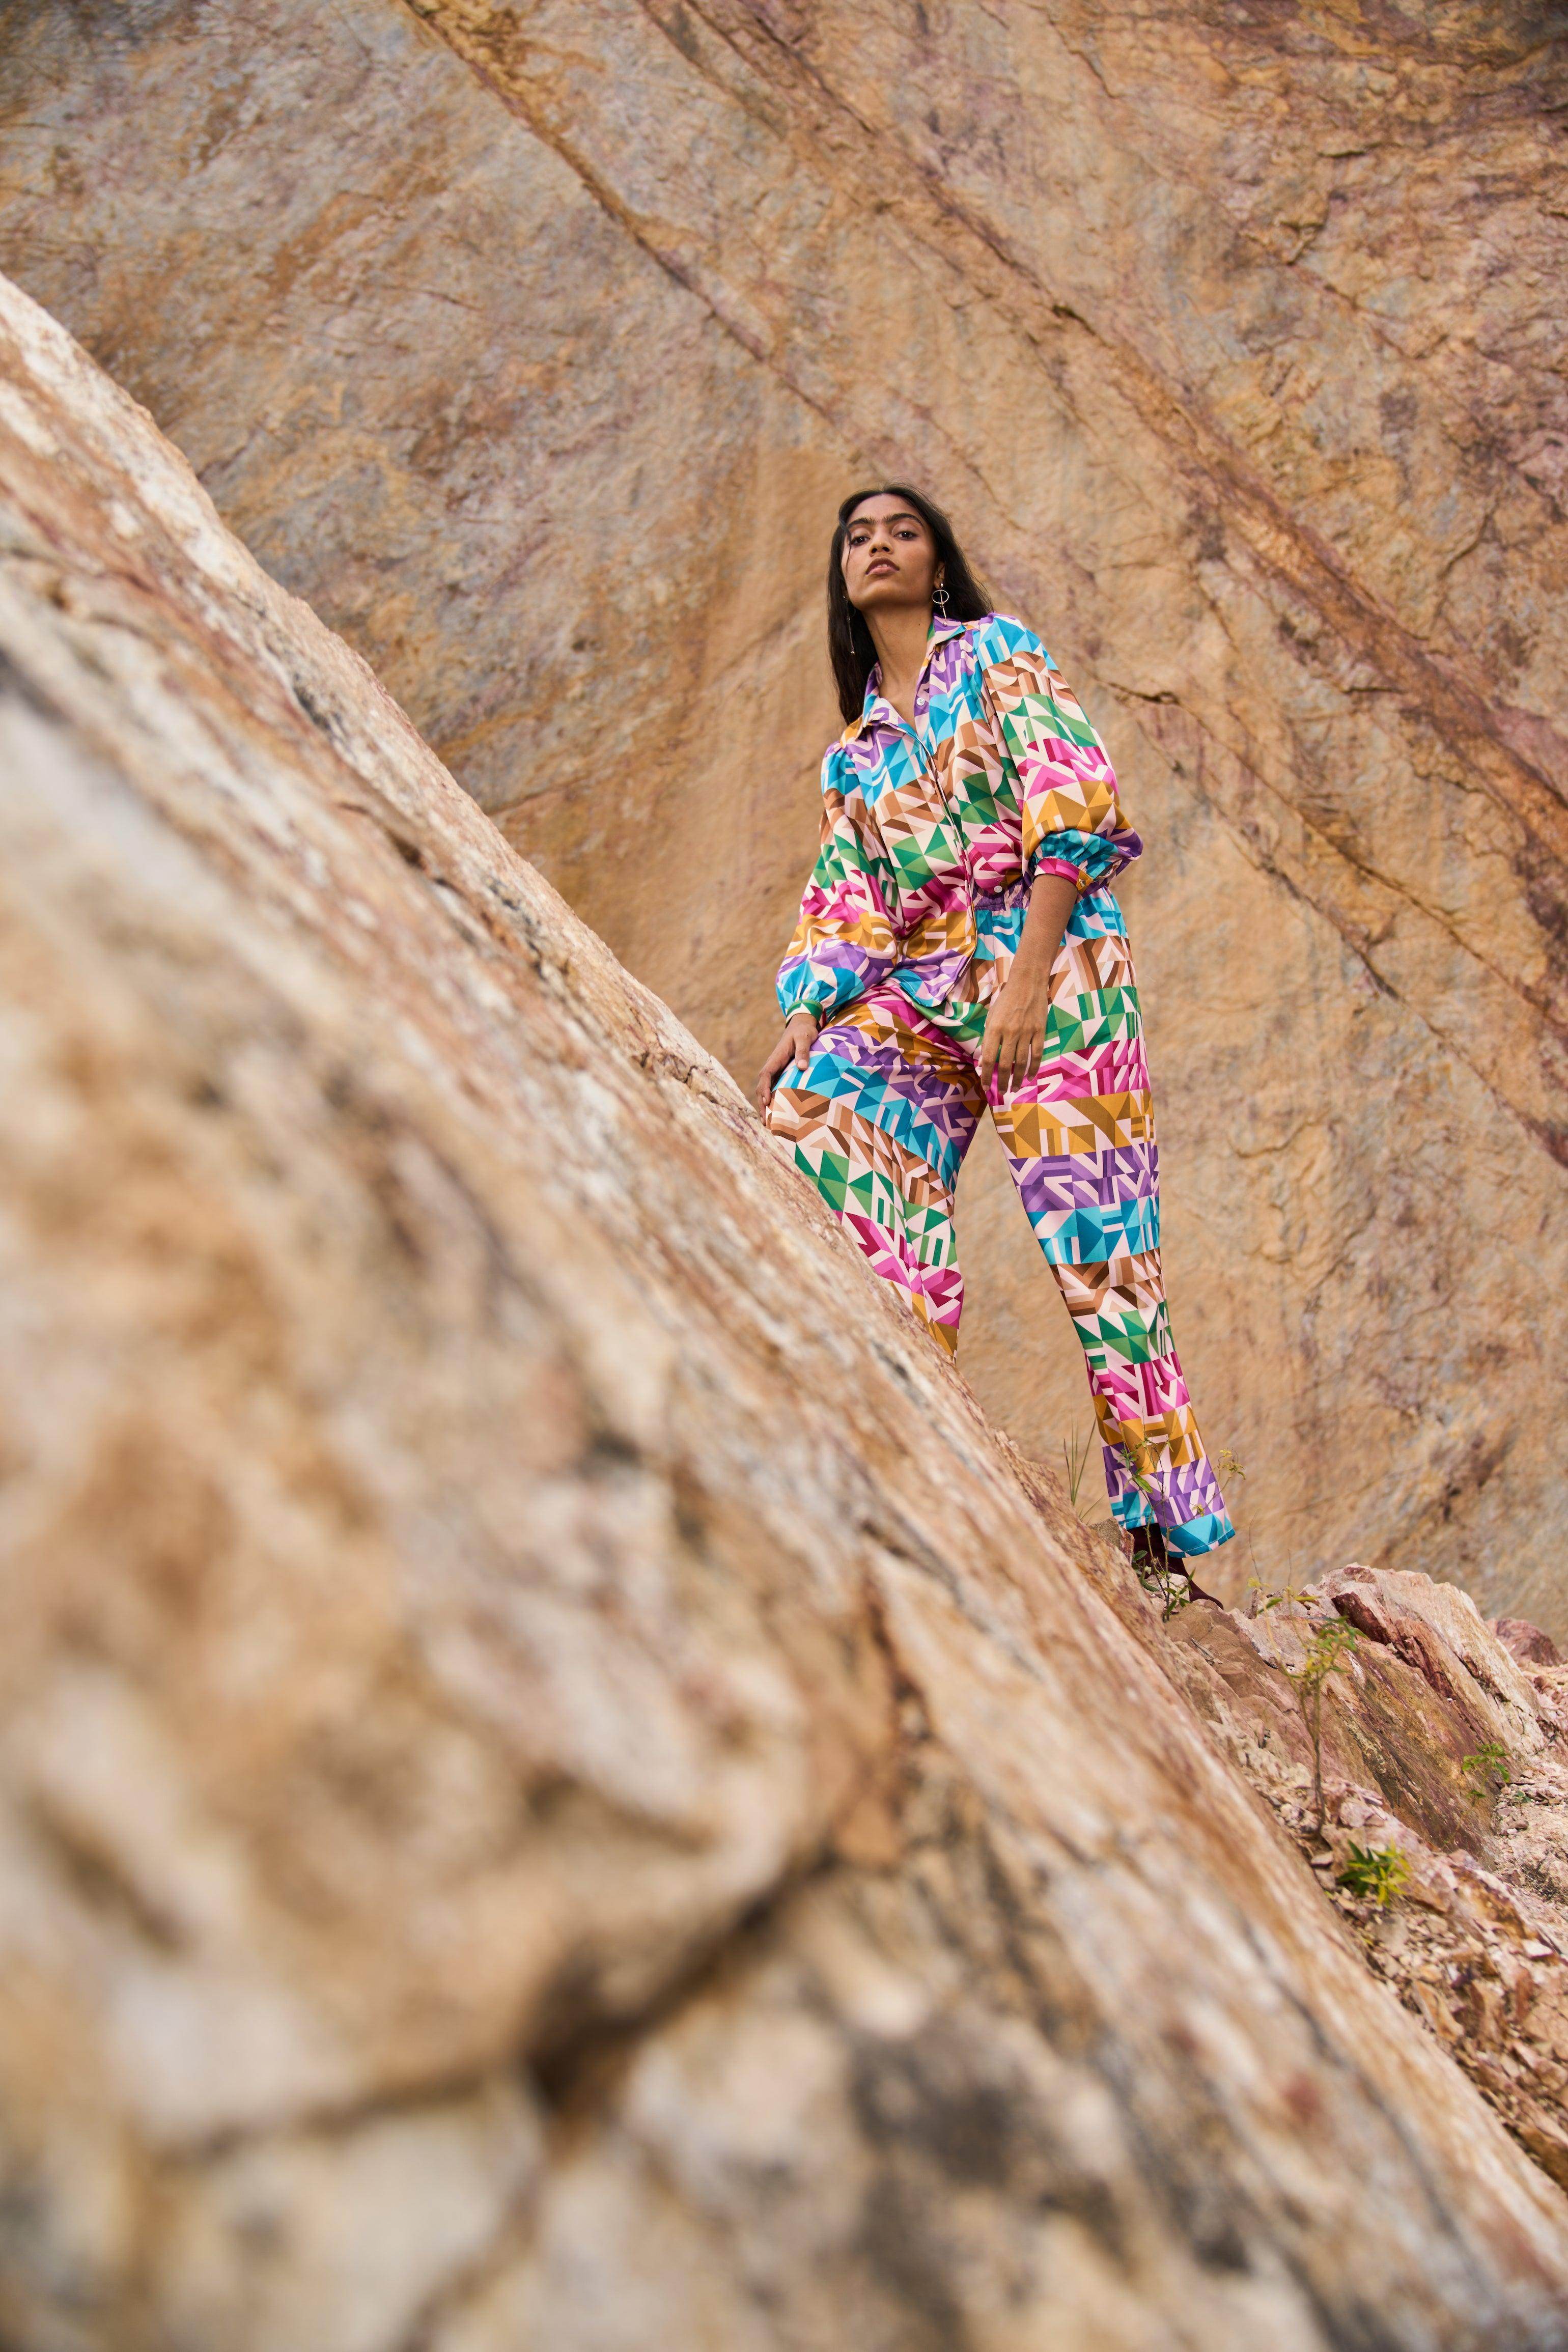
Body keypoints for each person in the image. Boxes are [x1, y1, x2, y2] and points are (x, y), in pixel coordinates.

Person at [755, 484, 1233, 1580]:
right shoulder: (856, 752)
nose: (878, 546)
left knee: (1104, 1259)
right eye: (858, 537)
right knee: (818, 1115)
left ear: (939, 566)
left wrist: (1027, 981)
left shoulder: (998, 655)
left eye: (903, 532)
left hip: (1055, 971)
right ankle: (902, 1403)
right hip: (926, 987)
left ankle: (1161, 1542)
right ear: (843, 574)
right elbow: (848, 901)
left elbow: (1073, 797)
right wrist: (807, 1012)